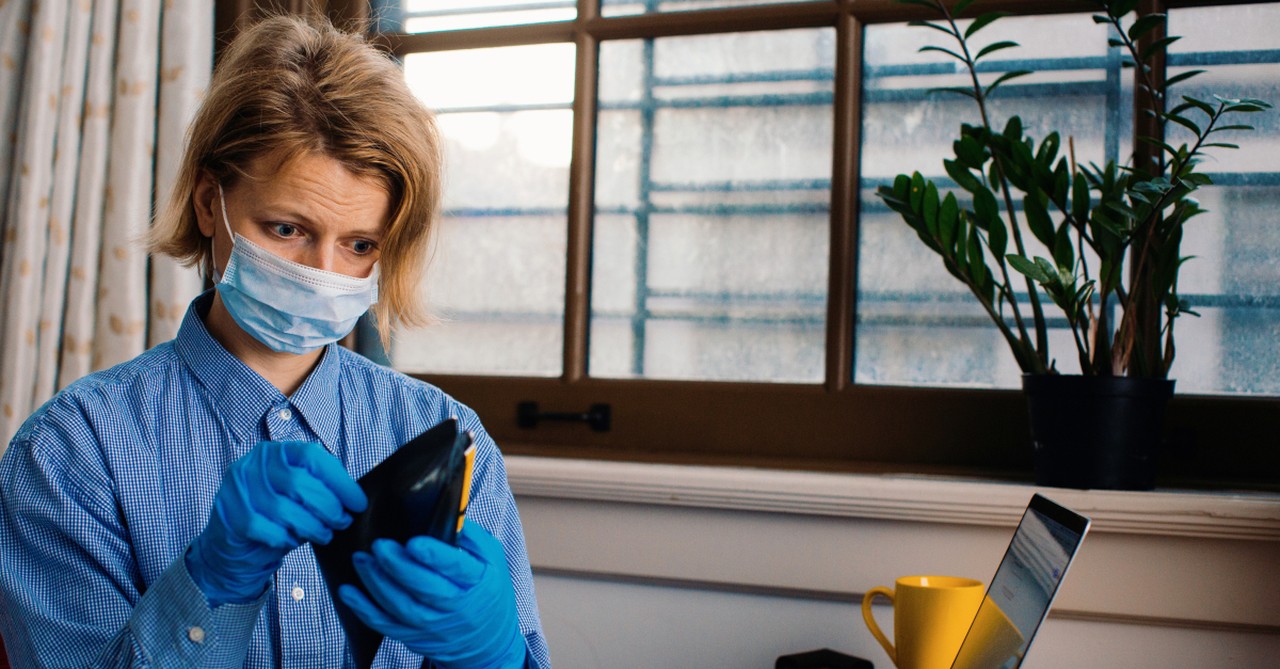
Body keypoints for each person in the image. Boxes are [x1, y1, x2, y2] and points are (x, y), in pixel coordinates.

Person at [0, 14, 550, 669]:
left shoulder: (450, 438)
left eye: (359, 245)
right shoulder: (70, 455)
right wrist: (208, 582)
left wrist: (495, 656)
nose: (322, 271)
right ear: (210, 203)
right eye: (288, 228)